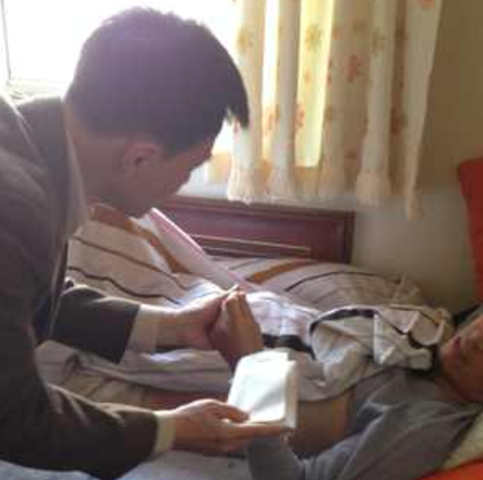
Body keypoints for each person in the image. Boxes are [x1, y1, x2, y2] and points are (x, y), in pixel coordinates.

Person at [0, 7, 285, 480]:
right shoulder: (15, 210)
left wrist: (171, 327)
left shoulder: (26, 139)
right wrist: (168, 430)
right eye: (188, 169)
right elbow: (14, 417)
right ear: (139, 158)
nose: (182, 186)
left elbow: (23, 296)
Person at [208, 284, 483, 480]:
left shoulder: (423, 426)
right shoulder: (439, 342)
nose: (482, 336)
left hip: (230, 375)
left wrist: (251, 365)